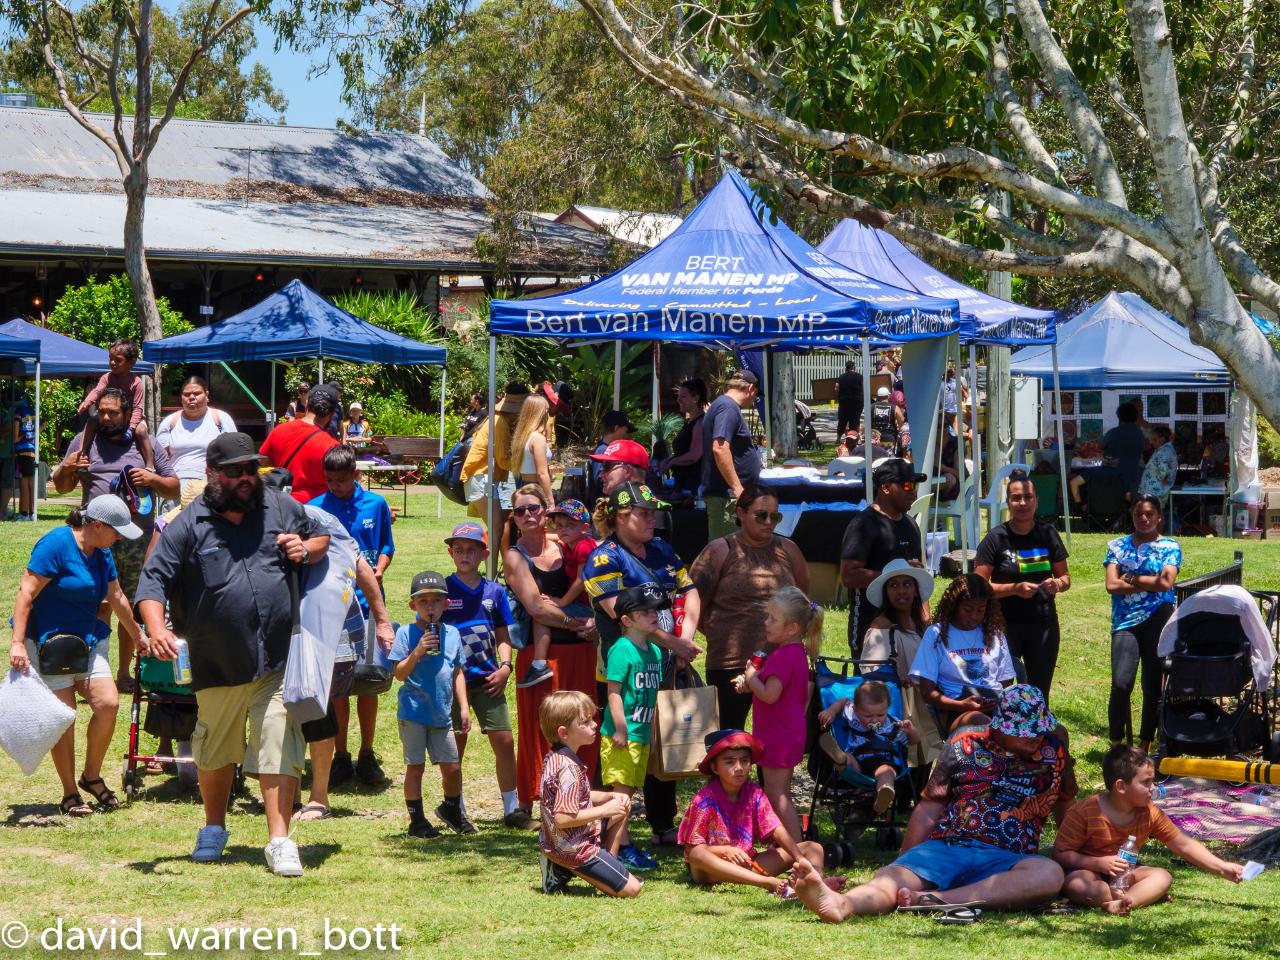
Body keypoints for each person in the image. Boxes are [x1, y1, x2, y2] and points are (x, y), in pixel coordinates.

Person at [136, 432, 330, 875]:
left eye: (252, 469)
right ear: (211, 475)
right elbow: (151, 583)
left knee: (278, 740)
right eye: (236, 471)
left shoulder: (279, 506)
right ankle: (214, 827)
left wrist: (306, 549)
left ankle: (279, 839)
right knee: (215, 751)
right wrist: (154, 627)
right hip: (217, 661)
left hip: (276, 659)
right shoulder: (188, 524)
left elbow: (321, 537)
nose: (247, 478)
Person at [793, 684, 1076, 921]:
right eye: (1025, 733)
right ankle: (842, 905)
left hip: (1009, 859)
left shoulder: (1054, 748)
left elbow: (1065, 800)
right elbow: (930, 806)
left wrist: (1072, 854)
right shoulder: (965, 743)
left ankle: (936, 899)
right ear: (1001, 727)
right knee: (891, 880)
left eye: (1038, 731)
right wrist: (903, 860)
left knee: (1049, 874)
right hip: (949, 845)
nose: (1034, 739)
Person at [8, 495, 144, 815]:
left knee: (108, 703)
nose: (120, 537)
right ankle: (70, 793)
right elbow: (26, 591)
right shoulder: (55, 545)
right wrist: (17, 642)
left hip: (87, 639)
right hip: (48, 642)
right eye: (117, 531)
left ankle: (91, 776)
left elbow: (116, 596)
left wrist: (139, 637)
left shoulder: (102, 552)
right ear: (96, 525)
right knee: (64, 717)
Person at [584, 481, 702, 848]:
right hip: (623, 670)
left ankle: (663, 825)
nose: (653, 519)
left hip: (665, 666)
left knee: (661, 744)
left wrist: (687, 637)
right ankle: (607, 833)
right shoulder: (604, 559)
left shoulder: (662, 549)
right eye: (644, 513)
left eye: (654, 512)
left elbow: (690, 590)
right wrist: (676, 642)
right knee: (623, 747)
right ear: (621, 516)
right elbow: (623, 613)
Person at [53, 387, 179, 693]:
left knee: (130, 605)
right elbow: (61, 487)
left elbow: (174, 488)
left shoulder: (144, 443)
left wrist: (151, 479)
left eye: (113, 412)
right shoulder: (86, 442)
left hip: (134, 538)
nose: (106, 417)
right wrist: (68, 468)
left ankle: (124, 673)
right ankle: (88, 671)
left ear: (127, 414)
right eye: (102, 411)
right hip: (92, 538)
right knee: (94, 603)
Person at [1054, 744, 1243, 914]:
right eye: (1146, 783)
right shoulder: (1085, 811)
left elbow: (1182, 844)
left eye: (1152, 781)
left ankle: (1124, 902)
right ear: (1121, 786)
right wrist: (1099, 863)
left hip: (1126, 875)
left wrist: (1222, 867)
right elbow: (1061, 853)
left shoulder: (1149, 811)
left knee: (1162, 876)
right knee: (1078, 885)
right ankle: (1137, 896)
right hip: (1088, 871)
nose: (1153, 788)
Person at [505, 484, 599, 821]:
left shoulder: (568, 544)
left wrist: (595, 624)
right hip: (541, 657)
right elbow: (538, 610)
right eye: (520, 511)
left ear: (547, 510)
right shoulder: (514, 556)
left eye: (534, 508)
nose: (528, 515)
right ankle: (532, 800)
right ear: (514, 519)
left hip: (581, 653)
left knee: (583, 723)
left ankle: (583, 795)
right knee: (542, 727)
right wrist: (580, 623)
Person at [308, 444, 396, 786]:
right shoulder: (315, 509)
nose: (335, 486)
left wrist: (381, 567)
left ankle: (367, 754)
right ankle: (341, 755)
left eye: (342, 480)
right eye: (329, 480)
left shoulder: (376, 504)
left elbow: (386, 545)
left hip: (369, 601)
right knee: (339, 686)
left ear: (356, 476)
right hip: (335, 607)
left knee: (371, 680)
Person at [690, 484, 809, 730]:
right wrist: (717, 632)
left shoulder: (788, 550)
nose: (769, 522)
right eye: (761, 515)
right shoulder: (720, 550)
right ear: (741, 513)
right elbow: (692, 604)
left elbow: (802, 597)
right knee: (729, 739)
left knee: (776, 735)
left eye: (775, 516)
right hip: (730, 662)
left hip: (780, 662)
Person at [439, 521, 534, 830]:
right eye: (459, 550)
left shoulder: (494, 591)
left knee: (504, 740)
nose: (465, 555)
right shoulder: (442, 590)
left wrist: (505, 668)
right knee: (456, 745)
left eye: (471, 550)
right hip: (455, 682)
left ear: (484, 554)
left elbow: (504, 635)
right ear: (451, 553)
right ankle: (457, 807)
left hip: (489, 680)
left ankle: (511, 809)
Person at [679, 729, 825, 897]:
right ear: (714, 767)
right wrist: (725, 851)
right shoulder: (703, 799)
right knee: (697, 854)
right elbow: (692, 850)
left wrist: (801, 859)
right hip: (712, 870)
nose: (739, 768)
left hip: (747, 864)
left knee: (813, 847)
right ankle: (767, 883)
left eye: (744, 760)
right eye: (729, 762)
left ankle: (818, 882)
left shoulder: (754, 792)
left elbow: (775, 828)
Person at [733, 585, 822, 841]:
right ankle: (784, 842)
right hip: (787, 732)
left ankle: (795, 846)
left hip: (778, 736)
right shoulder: (795, 653)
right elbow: (774, 687)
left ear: (792, 628)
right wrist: (752, 682)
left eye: (772, 618)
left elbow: (770, 694)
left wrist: (751, 677)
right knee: (779, 790)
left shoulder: (783, 656)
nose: (766, 622)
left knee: (776, 793)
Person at [974, 471, 1071, 701]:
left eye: (1028, 497)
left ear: (1036, 500)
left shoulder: (1048, 534)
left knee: (1039, 694)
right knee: (1001, 692)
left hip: (1043, 624)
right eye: (1016, 498)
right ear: (1008, 502)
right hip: (1004, 626)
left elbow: (1066, 578)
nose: (1023, 503)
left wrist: (1057, 583)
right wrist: (1014, 589)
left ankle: (1036, 736)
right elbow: (978, 587)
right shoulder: (996, 538)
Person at [391, 570, 473, 837]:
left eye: (436, 601)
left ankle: (451, 809)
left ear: (446, 604)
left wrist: (463, 706)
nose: (430, 607)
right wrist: (418, 651)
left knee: (452, 766)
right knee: (416, 767)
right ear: (412, 606)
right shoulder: (405, 633)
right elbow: (399, 673)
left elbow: (457, 671)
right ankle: (417, 821)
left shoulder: (452, 634)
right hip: (414, 711)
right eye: (423, 601)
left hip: (441, 712)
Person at [537, 690, 642, 898]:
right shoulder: (569, 769)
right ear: (564, 733)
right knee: (633, 890)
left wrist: (607, 797)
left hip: (558, 840)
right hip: (573, 846)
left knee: (622, 803)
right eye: (585, 722)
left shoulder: (556, 757)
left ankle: (606, 863)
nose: (594, 724)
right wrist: (604, 810)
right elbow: (563, 818)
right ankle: (564, 867)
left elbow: (577, 796)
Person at [1104, 495, 1181, 753]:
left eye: (1149, 514)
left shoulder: (1170, 546)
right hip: (1126, 621)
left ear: (1159, 516)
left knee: (1152, 684)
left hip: (1159, 617)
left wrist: (1132, 577)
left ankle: (1144, 745)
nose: (1144, 519)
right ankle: (1116, 744)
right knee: (1121, 683)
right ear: (1133, 516)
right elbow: (1111, 585)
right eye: (1139, 514)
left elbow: (1166, 583)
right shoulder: (1117, 545)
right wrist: (1149, 580)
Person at [601, 583, 669, 871]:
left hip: (641, 733)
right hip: (622, 735)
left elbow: (651, 698)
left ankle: (618, 848)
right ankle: (613, 854)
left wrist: (651, 734)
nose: (653, 615)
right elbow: (614, 692)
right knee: (622, 796)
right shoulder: (621, 649)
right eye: (645, 611)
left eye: (655, 610)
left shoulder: (654, 651)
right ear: (627, 621)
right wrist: (620, 728)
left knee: (626, 795)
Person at [909, 574, 1017, 733]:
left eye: (981, 610)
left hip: (995, 706)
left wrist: (993, 701)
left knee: (1055, 731)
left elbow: (1006, 680)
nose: (974, 616)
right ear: (954, 606)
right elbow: (926, 692)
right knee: (980, 722)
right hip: (957, 709)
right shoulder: (937, 634)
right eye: (967, 609)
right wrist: (962, 705)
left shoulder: (993, 633)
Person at [858, 559, 940, 766]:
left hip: (927, 699)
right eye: (894, 585)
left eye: (907, 584)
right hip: (901, 705)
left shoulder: (918, 624)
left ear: (915, 590)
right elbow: (874, 675)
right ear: (886, 592)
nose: (901, 591)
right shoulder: (881, 628)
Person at [839, 458, 925, 654]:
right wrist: (892, 574)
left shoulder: (910, 524)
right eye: (907, 484)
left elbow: (918, 575)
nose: (913, 491)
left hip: (907, 626)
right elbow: (848, 576)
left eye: (915, 485)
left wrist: (923, 618)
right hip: (870, 626)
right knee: (871, 683)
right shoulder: (863, 524)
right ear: (885, 487)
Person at [519, 499, 596, 690]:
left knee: (541, 613)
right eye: (559, 525)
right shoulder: (574, 541)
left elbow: (581, 580)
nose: (563, 530)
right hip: (586, 605)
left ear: (585, 527)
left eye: (570, 525)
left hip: (589, 606)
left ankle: (539, 663)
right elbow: (557, 537)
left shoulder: (584, 547)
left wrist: (561, 602)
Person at [818, 680, 919, 813]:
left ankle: (885, 791)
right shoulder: (853, 716)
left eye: (880, 715)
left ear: (887, 708)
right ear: (855, 709)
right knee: (848, 759)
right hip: (858, 761)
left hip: (883, 760)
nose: (875, 720)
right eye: (868, 716)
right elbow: (844, 701)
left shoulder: (892, 724)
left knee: (886, 771)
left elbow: (912, 742)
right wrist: (832, 711)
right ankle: (839, 759)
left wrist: (912, 732)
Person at [76, 338, 155, 471]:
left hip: (131, 417)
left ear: (131, 362)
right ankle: (82, 454)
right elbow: (97, 391)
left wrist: (131, 428)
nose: (112, 363)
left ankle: (150, 463)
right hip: (110, 415)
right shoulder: (107, 377)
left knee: (141, 431)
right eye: (110, 358)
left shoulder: (136, 383)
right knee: (91, 422)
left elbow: (138, 408)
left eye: (118, 360)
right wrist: (87, 402)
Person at [701, 370, 761, 540]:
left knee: (735, 552)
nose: (754, 399)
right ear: (750, 388)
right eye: (755, 394)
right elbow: (720, 448)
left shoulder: (724, 405)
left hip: (729, 495)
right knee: (728, 553)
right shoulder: (727, 407)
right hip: (727, 496)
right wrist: (737, 488)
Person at [258, 385, 340, 503]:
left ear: (306, 405)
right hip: (315, 512)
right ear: (332, 414)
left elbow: (264, 463)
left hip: (281, 506)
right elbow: (339, 486)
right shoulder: (332, 446)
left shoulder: (279, 430)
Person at [460, 382, 528, 523]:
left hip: (484, 477)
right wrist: (526, 467)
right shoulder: (500, 422)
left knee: (500, 522)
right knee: (497, 527)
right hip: (483, 477)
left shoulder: (497, 419)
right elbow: (503, 460)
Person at [154, 376, 236, 486]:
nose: (191, 397)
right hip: (176, 482)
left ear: (206, 395)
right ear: (181, 398)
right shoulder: (169, 423)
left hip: (212, 483)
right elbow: (160, 459)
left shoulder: (222, 419)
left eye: (197, 393)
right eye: (187, 394)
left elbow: (233, 454)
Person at [510, 392, 555, 529]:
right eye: (546, 411)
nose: (548, 415)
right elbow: (542, 473)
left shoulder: (523, 436)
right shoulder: (537, 438)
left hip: (524, 485)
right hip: (535, 488)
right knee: (538, 529)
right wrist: (550, 501)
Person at [659, 378, 707, 494]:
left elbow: (694, 455)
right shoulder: (689, 422)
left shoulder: (700, 423)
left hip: (693, 486)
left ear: (696, 398)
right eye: (678, 396)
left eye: (683, 396)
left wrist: (672, 462)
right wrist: (668, 459)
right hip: (682, 483)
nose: (679, 400)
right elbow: (683, 450)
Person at [586, 410, 635, 504]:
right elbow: (599, 482)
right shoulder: (603, 450)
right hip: (603, 504)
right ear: (616, 428)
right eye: (626, 431)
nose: (627, 435)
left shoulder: (607, 449)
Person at [1103, 402, 1148, 497]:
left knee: (1116, 505)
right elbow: (1144, 448)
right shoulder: (1140, 433)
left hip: (1116, 477)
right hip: (1135, 476)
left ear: (1119, 416)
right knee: (1134, 505)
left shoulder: (1114, 432)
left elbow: (1100, 446)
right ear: (1135, 416)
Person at [1139, 425, 1177, 499]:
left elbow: (1163, 469)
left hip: (1156, 490)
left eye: (1154, 440)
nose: (1151, 442)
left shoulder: (1164, 451)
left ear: (1162, 440)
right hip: (1154, 489)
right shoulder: (1163, 450)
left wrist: (1162, 477)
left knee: (1153, 509)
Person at [14, 392, 37, 520]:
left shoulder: (18, 412)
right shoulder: (32, 411)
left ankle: (24, 513)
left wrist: (15, 439)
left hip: (22, 450)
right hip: (32, 449)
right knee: (30, 481)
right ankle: (32, 512)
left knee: (24, 481)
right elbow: (43, 424)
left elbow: (16, 431)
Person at [835, 360, 865, 440]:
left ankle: (838, 438)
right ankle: (854, 438)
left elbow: (837, 388)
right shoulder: (859, 376)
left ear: (846, 368)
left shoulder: (841, 376)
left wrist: (838, 396)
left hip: (844, 400)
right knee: (855, 419)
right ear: (854, 368)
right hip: (857, 401)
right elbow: (864, 388)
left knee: (842, 420)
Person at [870, 386, 902, 453]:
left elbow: (866, 422)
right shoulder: (894, 407)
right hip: (889, 438)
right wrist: (899, 427)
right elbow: (901, 419)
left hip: (875, 439)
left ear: (878, 396)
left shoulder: (871, 407)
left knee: (876, 458)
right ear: (888, 396)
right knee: (888, 459)